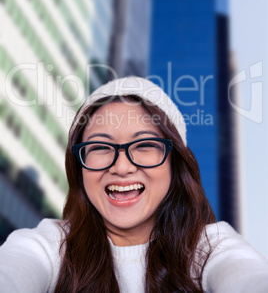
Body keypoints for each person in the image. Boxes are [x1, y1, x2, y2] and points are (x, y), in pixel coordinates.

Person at [0, 76, 268, 293]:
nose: (121, 167)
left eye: (144, 145)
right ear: (79, 166)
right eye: (101, 146)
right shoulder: (52, 244)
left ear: (175, 164)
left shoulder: (210, 246)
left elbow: (246, 275)